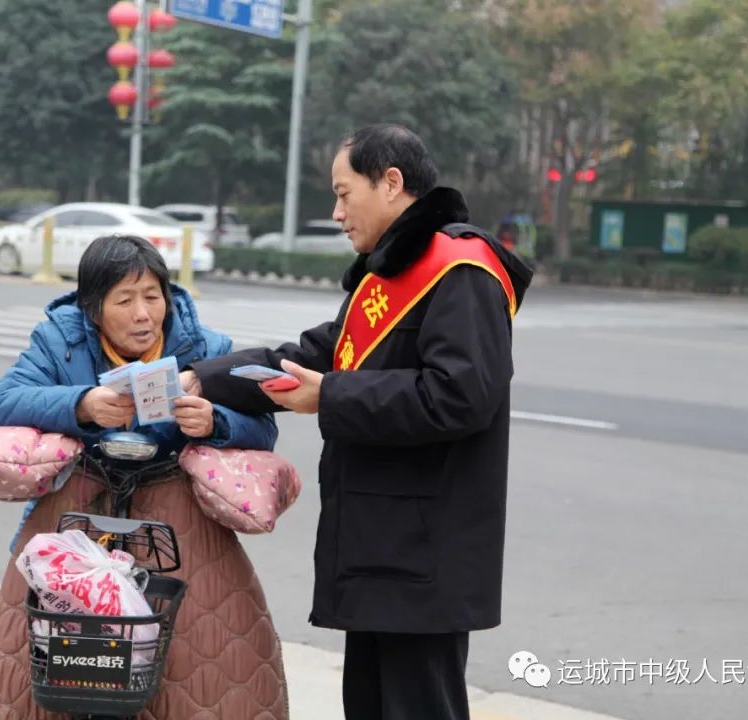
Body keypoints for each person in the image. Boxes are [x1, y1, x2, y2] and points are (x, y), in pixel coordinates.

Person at [180, 124, 533, 720]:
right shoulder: (389, 273)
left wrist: (333, 397)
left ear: (391, 184)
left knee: (417, 706)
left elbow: (460, 396)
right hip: (381, 544)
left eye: (345, 194)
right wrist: (203, 378)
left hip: (423, 551)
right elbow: (316, 355)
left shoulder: (462, 270)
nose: (337, 212)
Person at [0, 235, 289, 720]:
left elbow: (262, 427)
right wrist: (81, 405)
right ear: (93, 309)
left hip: (177, 517)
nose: (143, 313)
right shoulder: (62, 339)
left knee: (200, 651)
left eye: (152, 296)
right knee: (54, 650)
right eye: (125, 299)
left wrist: (215, 422)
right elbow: (5, 399)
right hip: (81, 509)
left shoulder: (206, 348)